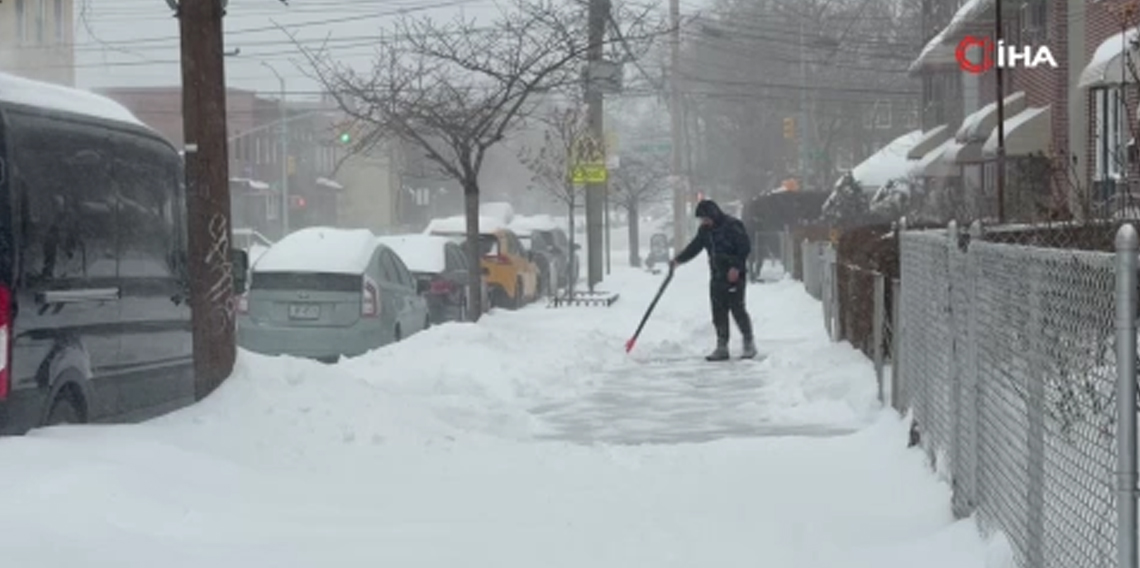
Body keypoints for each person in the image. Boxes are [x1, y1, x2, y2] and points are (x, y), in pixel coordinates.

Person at [670, 199, 757, 361]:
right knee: (718, 311)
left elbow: (744, 247)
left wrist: (736, 267)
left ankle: (748, 342)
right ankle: (722, 345)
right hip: (717, 275)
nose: (704, 222)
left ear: (714, 214)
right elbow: (695, 247)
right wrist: (678, 260)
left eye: (706, 218)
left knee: (737, 309)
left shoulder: (733, 225)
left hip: (734, 275)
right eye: (702, 219)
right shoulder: (705, 231)